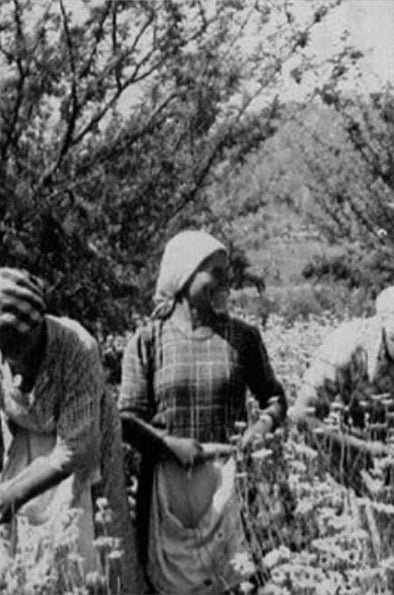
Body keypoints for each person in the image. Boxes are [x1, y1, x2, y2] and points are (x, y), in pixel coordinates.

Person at [118, 230, 286, 594]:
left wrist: (263, 424)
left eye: (227, 272)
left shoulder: (242, 338)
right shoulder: (149, 341)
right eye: (214, 272)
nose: (226, 281)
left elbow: (275, 397)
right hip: (166, 485)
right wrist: (169, 444)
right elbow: (127, 420)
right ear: (184, 276)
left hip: (229, 484)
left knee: (233, 580)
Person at [0, 268, 142, 593]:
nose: (9, 360)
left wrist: (14, 494)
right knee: (27, 559)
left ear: (36, 331)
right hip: (24, 448)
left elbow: (77, 450)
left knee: (94, 547)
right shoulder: (3, 347)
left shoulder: (76, 347)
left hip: (83, 453)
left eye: (15, 349)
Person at [289, 283, 394, 484]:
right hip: (346, 434)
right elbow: (302, 416)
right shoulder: (344, 349)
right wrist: (362, 448)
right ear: (388, 333)